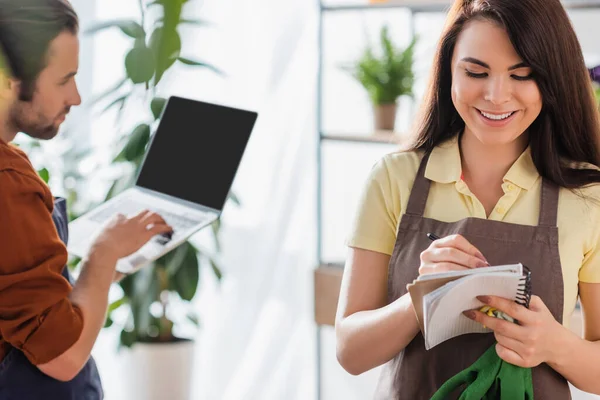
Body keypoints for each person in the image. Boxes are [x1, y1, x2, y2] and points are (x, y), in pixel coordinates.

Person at [335, 0, 600, 398]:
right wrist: (419, 300)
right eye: (476, 71)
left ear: (552, 79)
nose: (496, 95)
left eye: (522, 75)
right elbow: (349, 351)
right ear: (448, 71)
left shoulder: (587, 196)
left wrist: (555, 345)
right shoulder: (394, 179)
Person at [0, 1, 173, 398]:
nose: (76, 97)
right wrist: (105, 252)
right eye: (65, 79)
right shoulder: (8, 182)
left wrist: (98, 274)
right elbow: (62, 357)